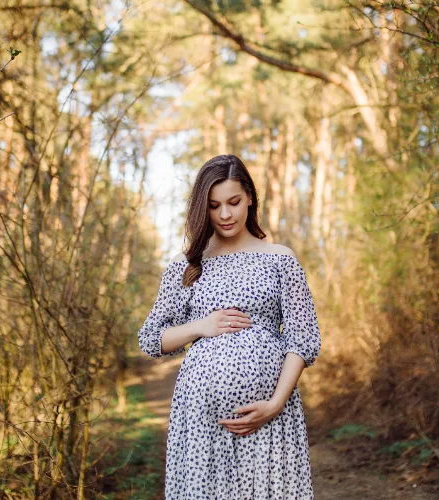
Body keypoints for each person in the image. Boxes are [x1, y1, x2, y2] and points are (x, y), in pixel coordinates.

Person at [137, 154, 322, 498]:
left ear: (250, 197)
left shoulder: (280, 259)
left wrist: (276, 403)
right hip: (201, 421)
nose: (225, 214)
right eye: (214, 205)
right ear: (202, 208)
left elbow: (303, 338)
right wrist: (201, 326)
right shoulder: (187, 265)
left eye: (234, 202)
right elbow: (151, 340)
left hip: (270, 416)